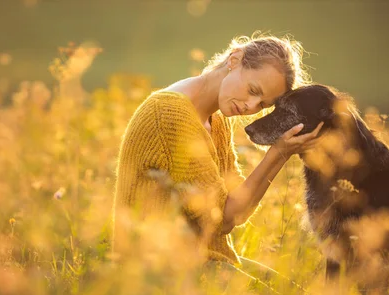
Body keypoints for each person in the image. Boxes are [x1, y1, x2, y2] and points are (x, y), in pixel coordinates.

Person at [112, 34, 324, 271]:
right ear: (235, 59)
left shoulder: (218, 122)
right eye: (253, 90)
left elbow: (237, 213)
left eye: (263, 105)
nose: (251, 107)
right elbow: (222, 219)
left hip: (202, 257)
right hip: (155, 267)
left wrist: (281, 153)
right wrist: (278, 154)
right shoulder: (170, 114)